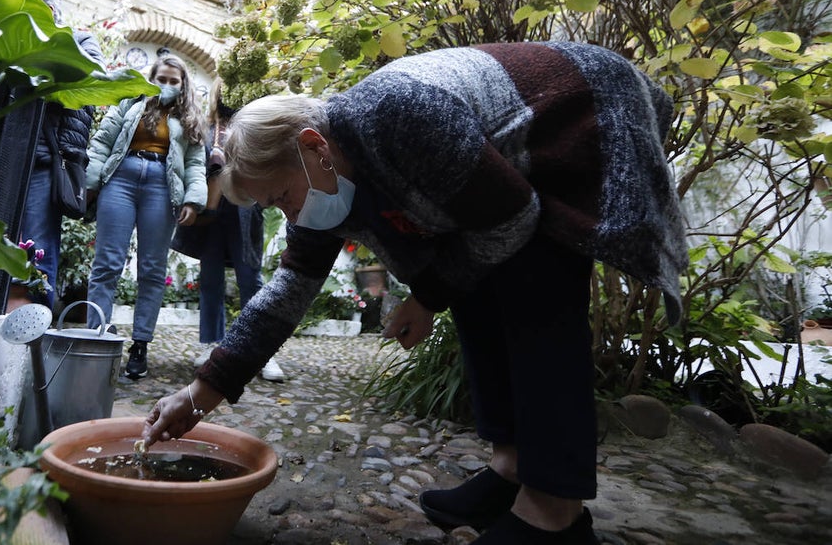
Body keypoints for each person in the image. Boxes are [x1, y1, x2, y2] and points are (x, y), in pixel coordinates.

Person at [141, 42, 688, 545]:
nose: (290, 215)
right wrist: (198, 395)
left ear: (313, 147)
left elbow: (514, 215)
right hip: (502, 184)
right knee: (472, 284)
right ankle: (512, 468)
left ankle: (555, 511)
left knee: (534, 288)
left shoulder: (399, 114)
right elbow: (287, 291)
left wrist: (425, 297)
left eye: (282, 196)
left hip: (579, 115)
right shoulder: (322, 177)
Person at [85, 53, 207, 379]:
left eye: (173, 80)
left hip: (162, 187)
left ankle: (140, 344)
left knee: (152, 269)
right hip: (120, 180)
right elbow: (103, 141)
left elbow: (195, 164)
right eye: (161, 79)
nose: (166, 85)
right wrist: (91, 183)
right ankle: (96, 338)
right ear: (151, 78)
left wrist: (193, 201)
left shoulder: (190, 119)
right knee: (107, 263)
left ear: (182, 85)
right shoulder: (130, 102)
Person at [171, 79, 284, 382]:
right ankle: (212, 345)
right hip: (212, 212)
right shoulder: (209, 128)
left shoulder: (256, 123)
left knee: (251, 280)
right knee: (210, 280)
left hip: (247, 210)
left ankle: (259, 351)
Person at [10, 0, 104, 313]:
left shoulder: (78, 40)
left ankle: (33, 330)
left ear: (52, 12)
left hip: (45, 160)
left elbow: (95, 78)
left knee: (37, 246)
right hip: (3, 157)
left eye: (34, 8)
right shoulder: (10, 41)